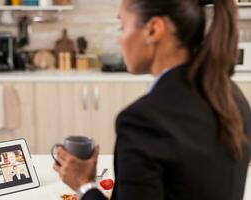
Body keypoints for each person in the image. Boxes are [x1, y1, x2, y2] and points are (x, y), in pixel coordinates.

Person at [53, 0, 251, 200]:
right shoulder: (233, 98)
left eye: (123, 27)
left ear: (153, 30)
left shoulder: (143, 121)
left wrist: (84, 184)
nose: (120, 40)